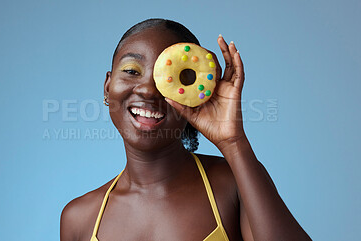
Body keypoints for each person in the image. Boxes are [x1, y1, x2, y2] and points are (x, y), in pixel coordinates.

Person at [60, 18, 311, 241]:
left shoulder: (233, 184)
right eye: (131, 71)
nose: (148, 90)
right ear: (107, 86)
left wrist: (234, 143)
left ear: (196, 97)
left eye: (173, 77)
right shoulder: (80, 219)